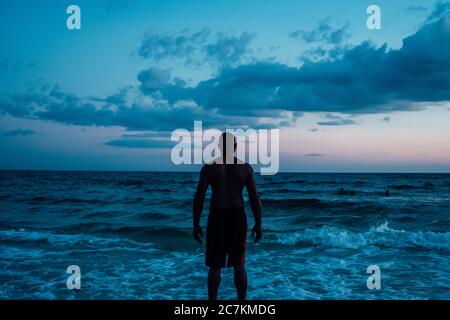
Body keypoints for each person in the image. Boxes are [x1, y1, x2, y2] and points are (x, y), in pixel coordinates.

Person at [193, 132, 262, 300]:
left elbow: (199, 197)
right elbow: (254, 198)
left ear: (219, 146)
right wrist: (258, 223)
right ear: (236, 146)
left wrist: (196, 224)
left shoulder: (209, 168)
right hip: (237, 216)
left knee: (214, 266)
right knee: (239, 264)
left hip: (217, 216)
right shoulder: (245, 168)